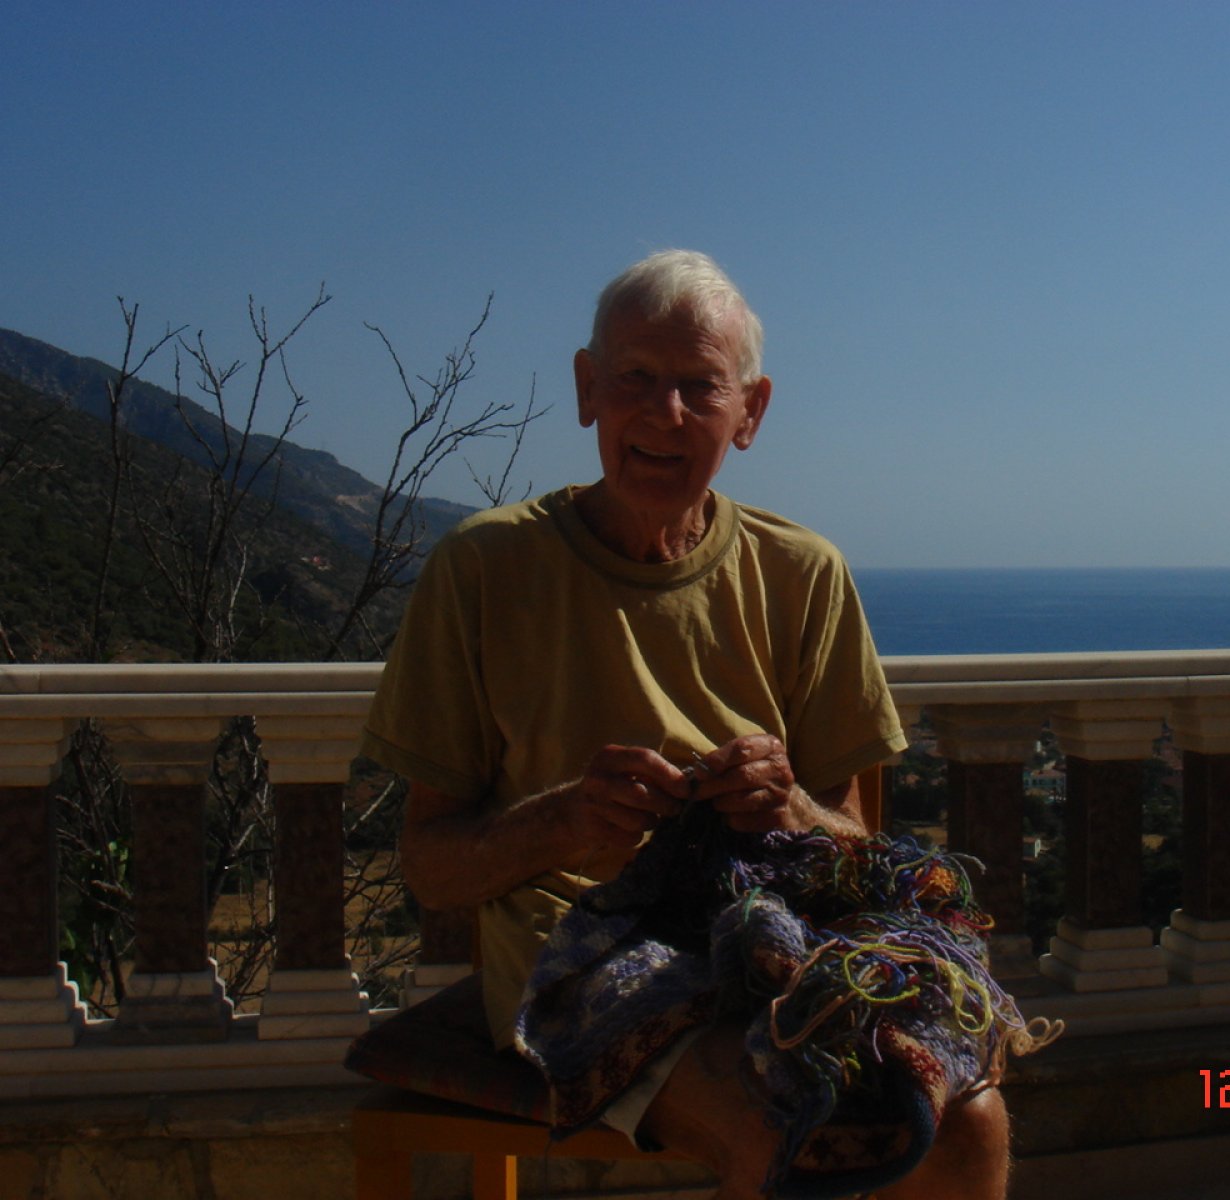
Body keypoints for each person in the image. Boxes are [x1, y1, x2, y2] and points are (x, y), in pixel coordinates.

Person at [360, 250, 1011, 1198]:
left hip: (776, 939)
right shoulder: (483, 570)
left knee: (971, 1122)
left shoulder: (803, 573)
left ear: (750, 411)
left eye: (700, 386)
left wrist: (791, 809)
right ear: (587, 390)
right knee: (787, 1126)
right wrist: (564, 821)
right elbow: (430, 866)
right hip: (574, 959)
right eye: (634, 378)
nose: (664, 414)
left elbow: (854, 842)